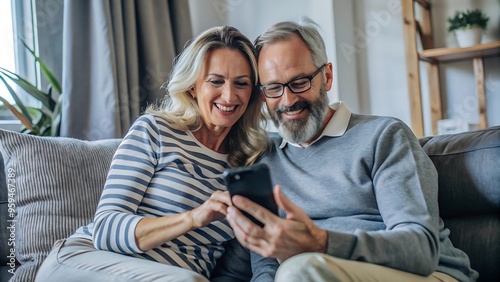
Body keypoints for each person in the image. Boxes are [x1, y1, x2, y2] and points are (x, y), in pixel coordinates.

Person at [225, 18, 479, 282]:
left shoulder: (384, 136)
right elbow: (265, 261)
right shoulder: (264, 157)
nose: (288, 101)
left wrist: (322, 242)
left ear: (327, 76)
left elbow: (421, 250)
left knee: (298, 272)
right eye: (274, 88)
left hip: (428, 274)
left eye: (300, 82)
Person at [35, 26, 277, 282]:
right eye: (215, 81)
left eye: (241, 83)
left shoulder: (251, 161)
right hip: (86, 262)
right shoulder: (156, 131)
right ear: (193, 86)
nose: (229, 95)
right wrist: (193, 218)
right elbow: (105, 228)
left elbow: (255, 254)